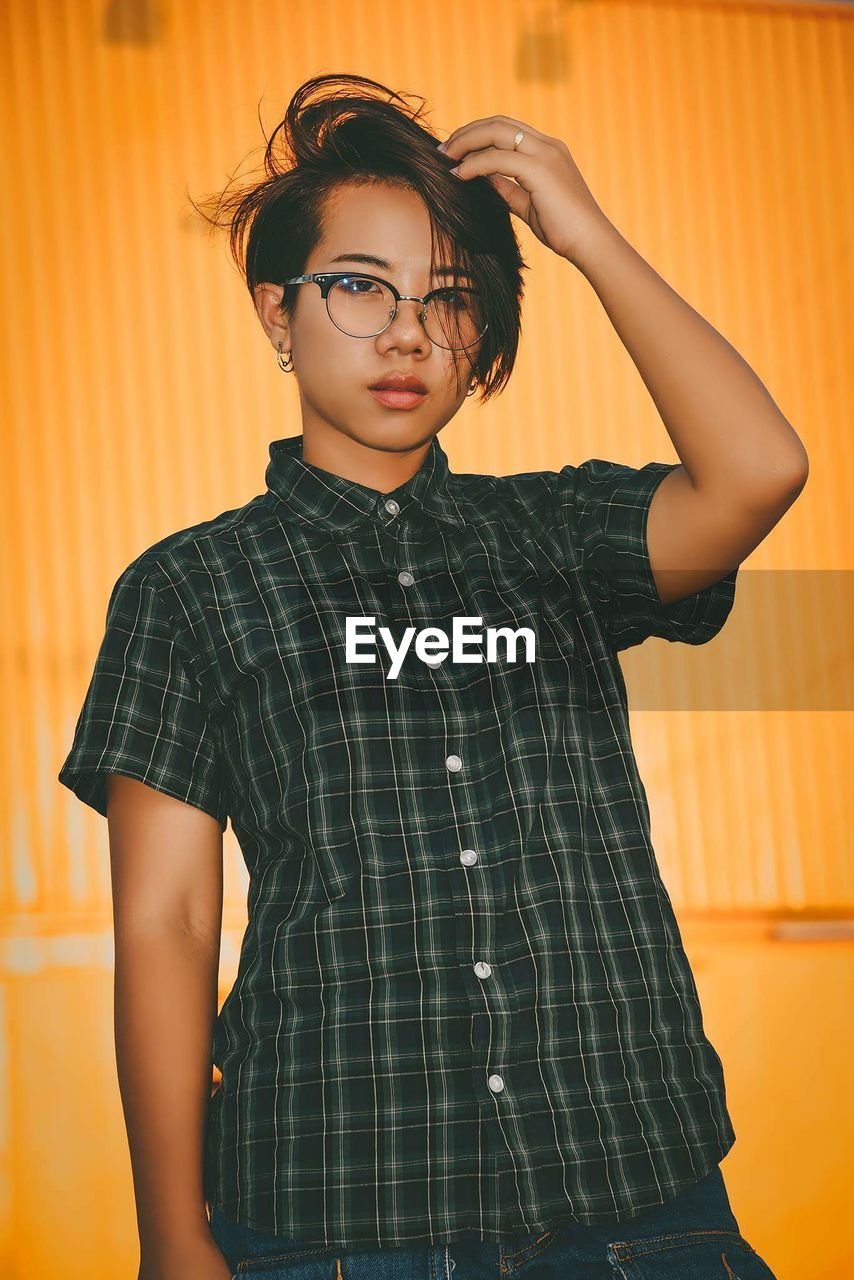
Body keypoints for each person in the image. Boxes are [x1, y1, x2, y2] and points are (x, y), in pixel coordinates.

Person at [58, 72, 804, 1280]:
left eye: (448, 300)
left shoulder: (556, 538)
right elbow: (169, 918)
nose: (406, 332)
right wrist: (170, 1235)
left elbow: (758, 469)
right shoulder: (188, 591)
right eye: (358, 287)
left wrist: (585, 235)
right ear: (275, 313)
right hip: (328, 1211)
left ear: (485, 342)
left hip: (637, 1196)